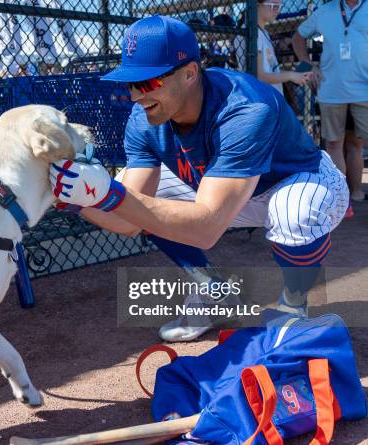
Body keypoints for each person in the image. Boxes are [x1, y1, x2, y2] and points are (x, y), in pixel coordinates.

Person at [50, 16, 349, 341]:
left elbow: (207, 228)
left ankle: (293, 304)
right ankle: (212, 291)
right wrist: (75, 198)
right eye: (131, 84)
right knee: (137, 199)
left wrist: (111, 195)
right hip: (224, 194)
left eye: (147, 82)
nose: (137, 95)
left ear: (190, 73)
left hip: (302, 180)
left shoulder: (246, 108)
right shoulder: (144, 117)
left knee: (295, 212)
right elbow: (129, 219)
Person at [292, 0, 368, 202]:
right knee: (334, 144)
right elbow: (298, 37)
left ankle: (356, 192)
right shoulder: (325, 11)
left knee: (357, 145)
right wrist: (307, 65)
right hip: (330, 90)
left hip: (364, 90)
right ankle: (340, 198)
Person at [234, 0, 311, 93]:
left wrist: (293, 75)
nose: (278, 11)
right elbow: (259, 76)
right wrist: (290, 75)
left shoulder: (263, 32)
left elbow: (270, 71)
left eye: (279, 6)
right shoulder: (252, 33)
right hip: (261, 99)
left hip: (269, 98)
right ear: (257, 5)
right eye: (274, 6)